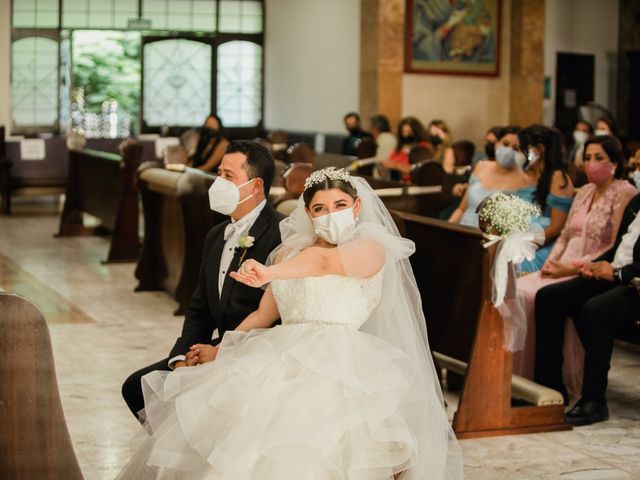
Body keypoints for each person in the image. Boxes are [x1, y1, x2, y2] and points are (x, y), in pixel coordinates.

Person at [116, 167, 463, 479]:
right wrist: (220, 349)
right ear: (309, 214)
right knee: (244, 445)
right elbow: (263, 315)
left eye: (341, 205)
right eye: (321, 209)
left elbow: (325, 263)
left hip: (341, 362)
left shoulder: (372, 248)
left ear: (356, 207)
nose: (332, 215)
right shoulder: (287, 253)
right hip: (279, 352)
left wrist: (269, 272)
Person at [121, 140, 284, 420]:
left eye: (228, 176)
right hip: (216, 348)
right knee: (137, 388)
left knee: (201, 401)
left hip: (257, 352)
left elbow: (275, 318)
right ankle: (180, 456)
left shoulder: (281, 234)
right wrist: (182, 358)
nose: (218, 183)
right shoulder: (217, 235)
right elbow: (200, 308)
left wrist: (220, 352)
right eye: (218, 174)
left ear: (256, 186)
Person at [514, 135, 638, 388]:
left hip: (597, 268)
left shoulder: (625, 192)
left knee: (568, 302)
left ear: (614, 162)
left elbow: (612, 245)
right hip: (576, 265)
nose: (591, 163)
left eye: (599, 158)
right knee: (526, 293)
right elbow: (567, 232)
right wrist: (551, 262)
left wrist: (575, 268)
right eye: (588, 157)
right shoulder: (586, 192)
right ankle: (540, 384)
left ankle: (576, 390)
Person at [535, 192, 640, 425]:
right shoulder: (637, 202)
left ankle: (594, 400)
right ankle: (550, 388)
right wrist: (595, 265)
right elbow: (619, 248)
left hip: (636, 285)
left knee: (596, 310)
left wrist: (617, 273)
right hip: (618, 275)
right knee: (549, 297)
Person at [448, 125, 535, 227]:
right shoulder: (481, 167)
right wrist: (445, 229)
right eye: (505, 144)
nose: (508, 150)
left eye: (516, 148)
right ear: (497, 144)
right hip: (463, 230)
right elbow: (462, 209)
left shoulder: (524, 181)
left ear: (523, 154)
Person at [518, 125, 574, 272]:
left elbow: (556, 227)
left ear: (539, 149)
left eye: (523, 148)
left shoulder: (558, 177)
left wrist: (524, 243)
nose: (520, 153)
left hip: (543, 243)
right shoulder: (527, 174)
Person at [381, 116, 431, 182]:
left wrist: (397, 165)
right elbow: (390, 161)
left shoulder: (423, 147)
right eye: (403, 132)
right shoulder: (399, 147)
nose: (406, 135)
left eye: (409, 132)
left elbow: (420, 170)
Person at [369, 114, 397, 179]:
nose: (370, 131)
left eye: (371, 128)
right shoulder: (390, 137)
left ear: (375, 128)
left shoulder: (385, 139)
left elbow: (381, 163)